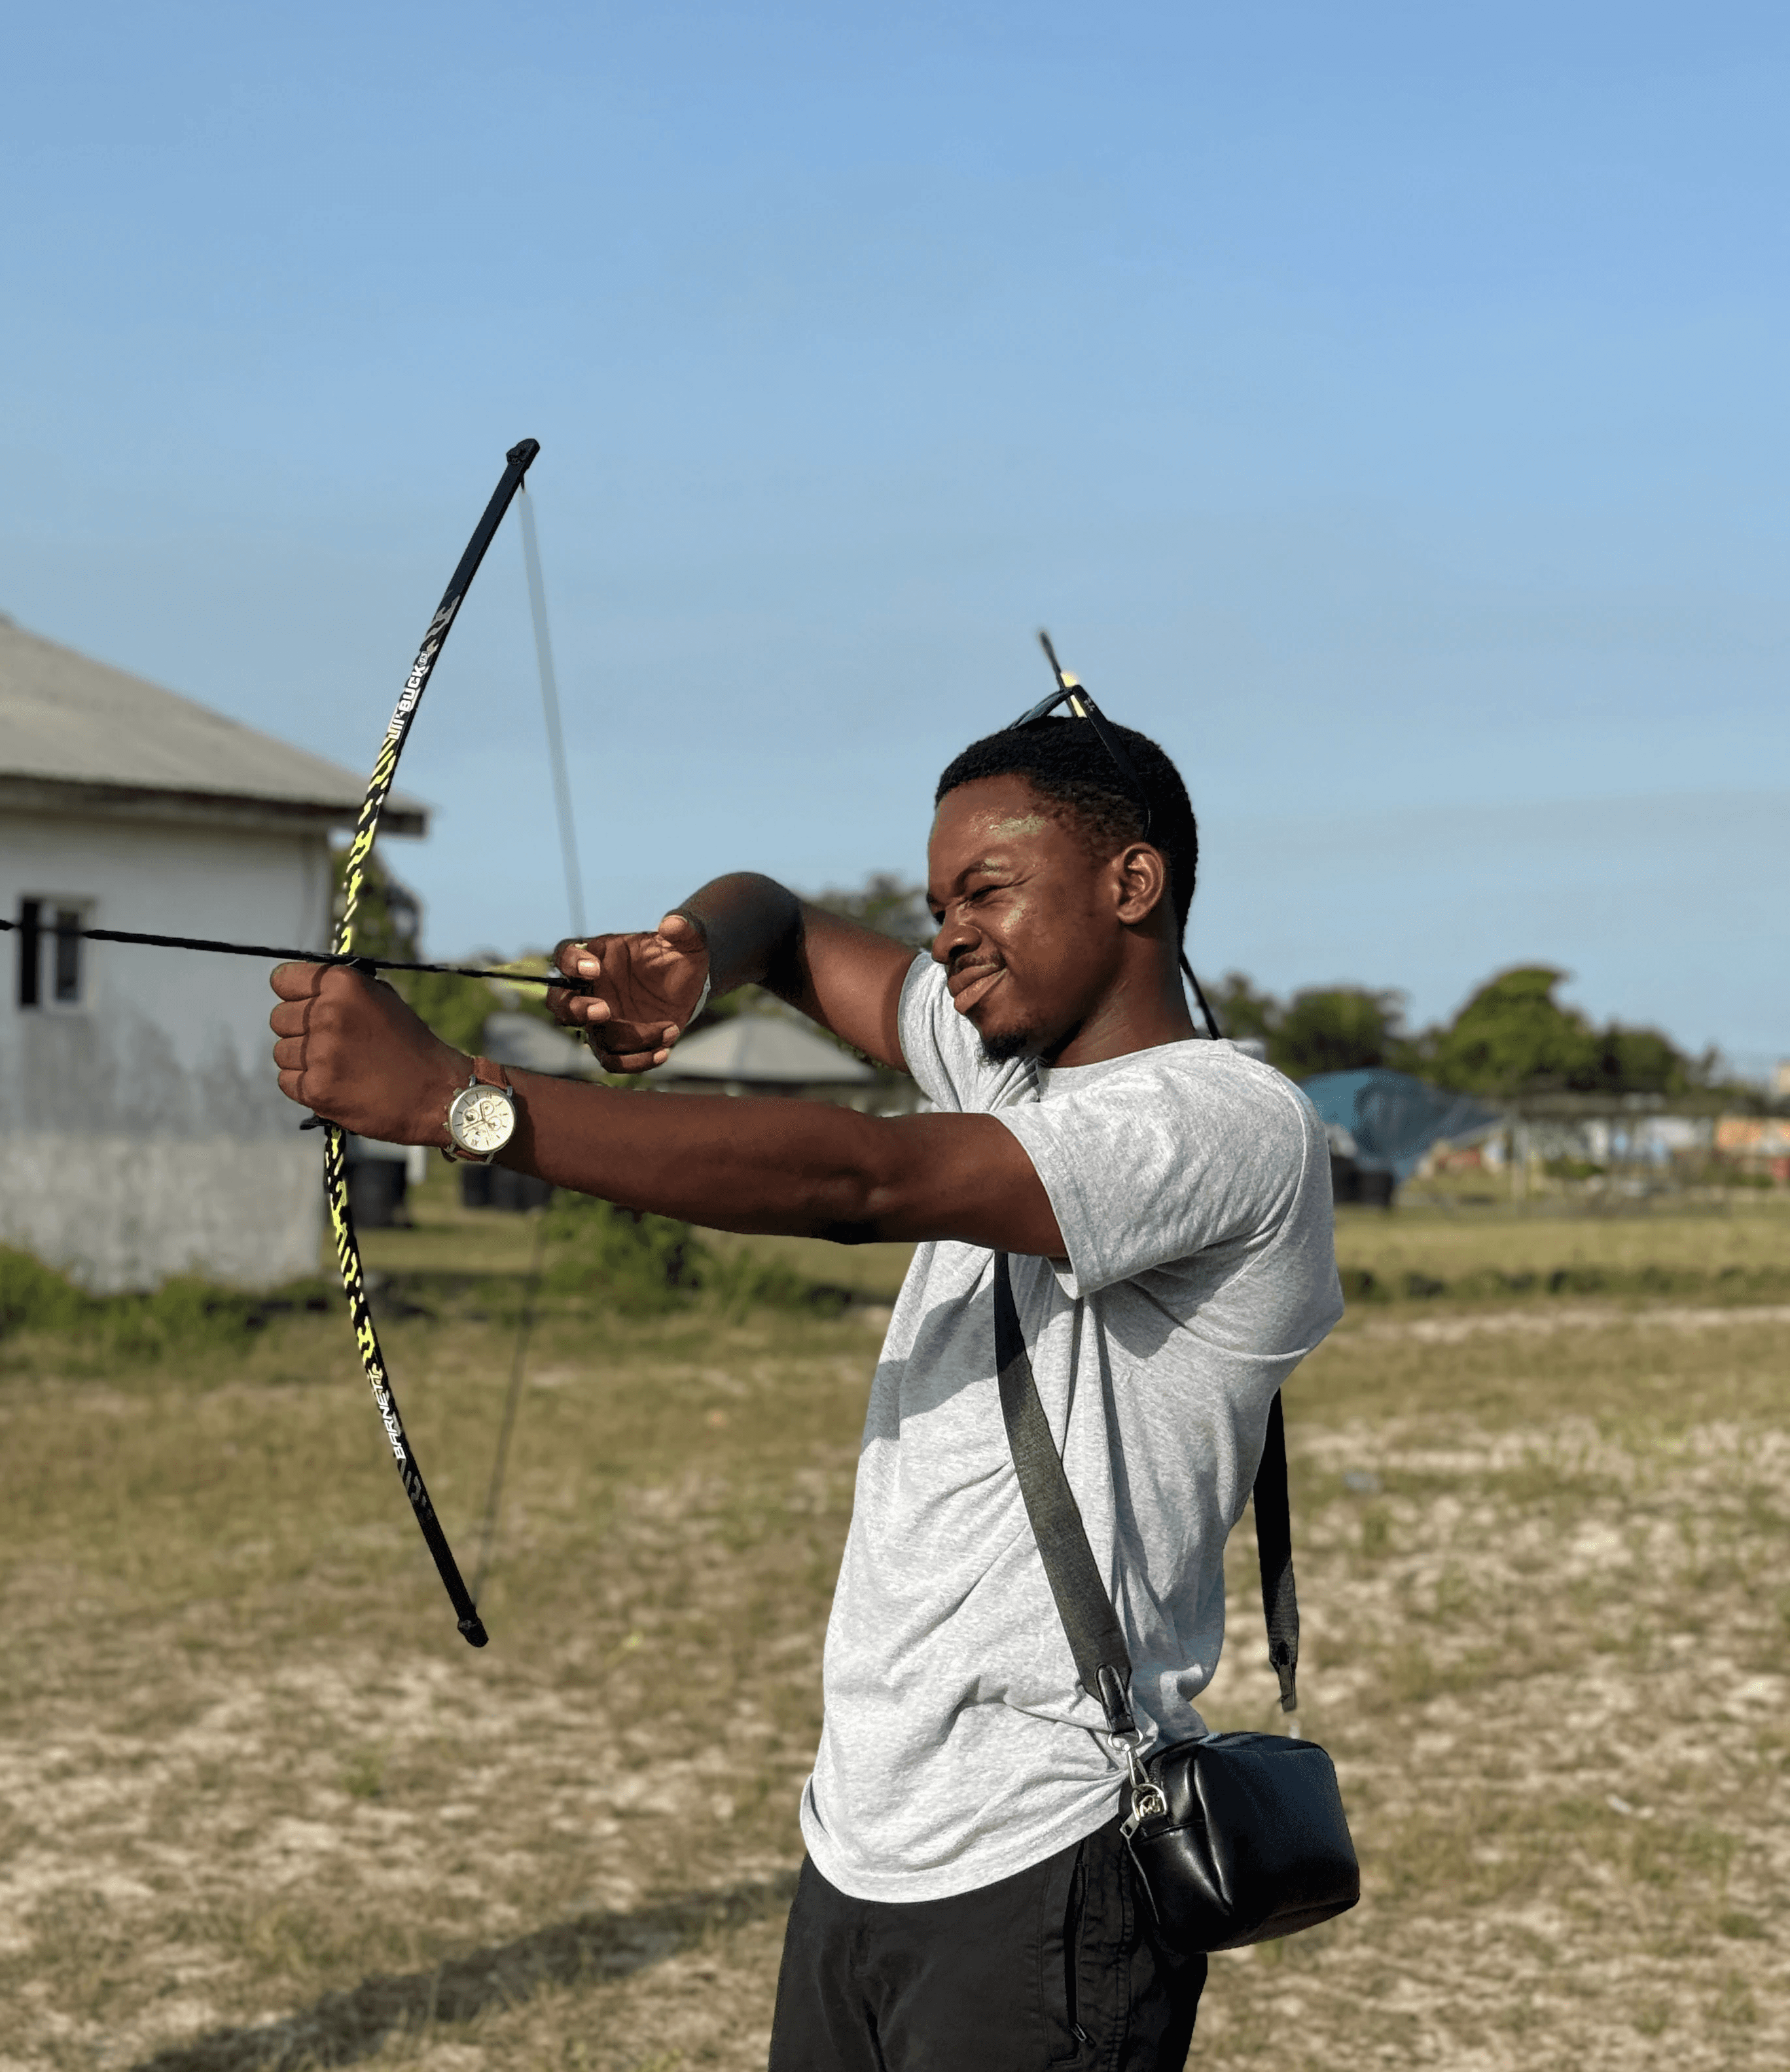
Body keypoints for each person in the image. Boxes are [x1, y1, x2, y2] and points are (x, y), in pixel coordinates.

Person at [268, 700, 1341, 2071]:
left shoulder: (1225, 1121)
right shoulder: (1001, 1060)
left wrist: (469, 1103)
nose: (950, 930)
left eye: (989, 890)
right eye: (937, 899)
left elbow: (860, 1176)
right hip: (864, 1841)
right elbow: (775, 916)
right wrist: (691, 957)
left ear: (1134, 884)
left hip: (1050, 1855)